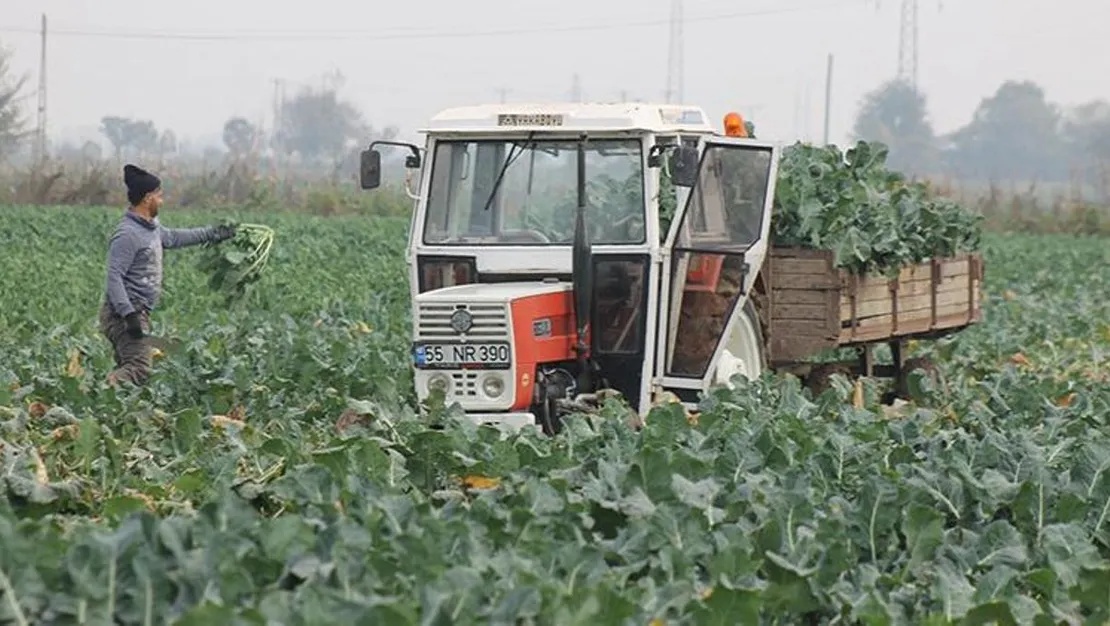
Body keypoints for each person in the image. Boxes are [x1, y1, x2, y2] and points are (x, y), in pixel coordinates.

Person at [99, 164, 236, 387]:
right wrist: (129, 315)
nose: (162, 201)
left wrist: (214, 234)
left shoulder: (150, 227)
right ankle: (100, 392)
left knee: (131, 368)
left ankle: (113, 410)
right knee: (139, 369)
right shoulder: (127, 234)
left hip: (137, 312)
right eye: (159, 196)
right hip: (123, 315)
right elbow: (114, 278)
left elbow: (172, 238)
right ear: (146, 198)